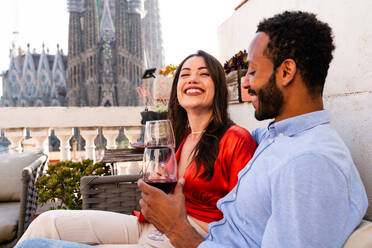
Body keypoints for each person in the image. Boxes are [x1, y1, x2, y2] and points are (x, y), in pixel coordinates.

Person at [136, 10, 368, 247]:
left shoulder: (307, 163)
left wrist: (177, 229)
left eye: (253, 71)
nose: (245, 82)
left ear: (286, 72)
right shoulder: (278, 135)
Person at [16, 50, 257, 247]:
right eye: (185, 75)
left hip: (190, 234)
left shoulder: (236, 139)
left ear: (218, 87)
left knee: (36, 246)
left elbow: (247, 221)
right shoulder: (179, 137)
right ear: (176, 90)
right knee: (47, 223)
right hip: (150, 225)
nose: (192, 79)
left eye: (203, 74)